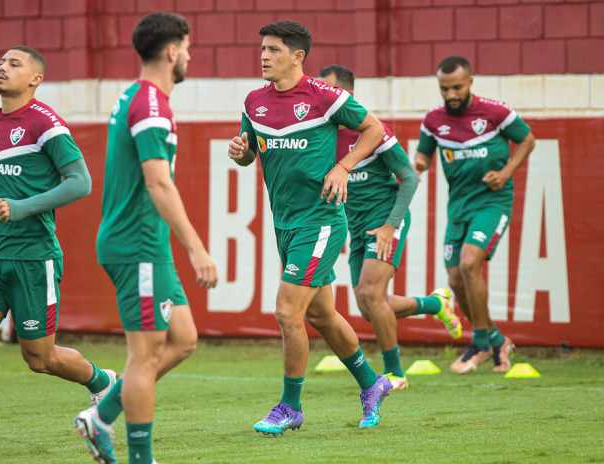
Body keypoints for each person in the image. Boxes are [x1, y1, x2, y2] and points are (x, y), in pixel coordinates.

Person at [0, 46, 115, 458]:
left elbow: (80, 182)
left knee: (39, 357)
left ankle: (102, 382)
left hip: (34, 256)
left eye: (15, 64)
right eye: (1, 62)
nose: (2, 67)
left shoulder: (46, 123)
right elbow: (5, 173)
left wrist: (24, 208)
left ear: (35, 79)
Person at [229, 20, 394, 435]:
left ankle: (290, 407)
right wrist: (242, 153)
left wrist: (343, 166)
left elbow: (374, 129)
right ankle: (372, 383)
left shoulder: (326, 97)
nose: (264, 56)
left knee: (287, 312)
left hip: (320, 221)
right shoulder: (253, 102)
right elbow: (251, 152)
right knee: (321, 314)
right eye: (262, 48)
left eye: (273, 50)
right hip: (283, 223)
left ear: (298, 57)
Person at [73, 13, 218, 464]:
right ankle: (139, 458)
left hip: (146, 244)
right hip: (137, 246)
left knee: (184, 339)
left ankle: (102, 415)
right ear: (173, 50)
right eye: (188, 47)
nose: (190, 56)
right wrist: (196, 248)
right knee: (145, 355)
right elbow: (158, 184)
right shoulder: (150, 106)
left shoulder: (137, 97)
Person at [319, 64, 462, 389]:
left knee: (371, 294)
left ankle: (395, 373)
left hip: (385, 219)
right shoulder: (323, 135)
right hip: (356, 226)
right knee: (370, 306)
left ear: (346, 94)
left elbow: (410, 177)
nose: (322, 97)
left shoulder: (372, 130)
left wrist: (389, 226)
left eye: (328, 91)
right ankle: (436, 304)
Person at [414, 56, 535, 374]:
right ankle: (497, 340)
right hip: (458, 207)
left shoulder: (495, 112)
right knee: (456, 278)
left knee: (469, 263)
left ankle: (480, 343)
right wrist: (415, 167)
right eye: (445, 88)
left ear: (470, 82)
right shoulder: (433, 121)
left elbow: (527, 139)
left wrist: (506, 172)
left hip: (491, 203)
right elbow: (422, 157)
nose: (451, 94)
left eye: (457, 87)